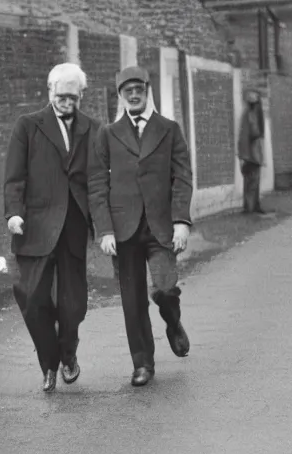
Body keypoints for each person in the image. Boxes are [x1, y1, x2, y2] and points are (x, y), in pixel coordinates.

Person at [89, 66, 194, 387]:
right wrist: (104, 229)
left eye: (139, 89)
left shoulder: (169, 129)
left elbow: (182, 178)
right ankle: (142, 364)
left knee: (165, 288)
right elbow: (96, 184)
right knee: (132, 300)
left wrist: (181, 221)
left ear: (148, 91)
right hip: (123, 230)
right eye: (127, 91)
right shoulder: (107, 134)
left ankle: (173, 322)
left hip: (161, 226)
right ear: (120, 96)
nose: (134, 95)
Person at [4, 62, 96, 392]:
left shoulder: (92, 129)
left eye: (74, 97)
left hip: (73, 226)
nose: (68, 104)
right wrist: (13, 213)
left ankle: (68, 354)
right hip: (35, 225)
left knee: (74, 304)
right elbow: (14, 176)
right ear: (49, 91)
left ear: (81, 95)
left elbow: (98, 180)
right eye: (61, 97)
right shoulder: (27, 126)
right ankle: (49, 363)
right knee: (31, 297)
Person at [237, 88, 270, 215]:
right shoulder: (249, 114)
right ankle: (249, 207)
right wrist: (243, 155)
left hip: (254, 152)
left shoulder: (254, 113)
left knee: (254, 181)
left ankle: (253, 205)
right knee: (250, 181)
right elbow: (247, 134)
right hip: (250, 153)